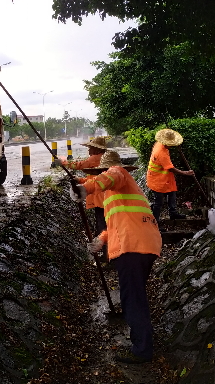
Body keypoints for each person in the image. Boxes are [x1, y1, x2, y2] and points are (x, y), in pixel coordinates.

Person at [70, 150, 162, 364]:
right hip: (145, 244)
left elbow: (109, 177)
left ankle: (142, 350)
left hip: (133, 247)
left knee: (132, 300)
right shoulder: (119, 194)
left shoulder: (117, 173)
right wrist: (101, 240)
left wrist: (85, 188)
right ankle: (141, 340)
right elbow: (114, 226)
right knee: (136, 296)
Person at [52, 136, 107, 246]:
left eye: (90, 148)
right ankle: (105, 252)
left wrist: (63, 163)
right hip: (103, 197)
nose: (89, 150)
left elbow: (80, 165)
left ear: (96, 149)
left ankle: (106, 254)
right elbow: (94, 179)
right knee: (102, 223)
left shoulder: (95, 158)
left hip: (100, 198)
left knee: (102, 226)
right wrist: (80, 180)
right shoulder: (104, 158)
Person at [146, 128, 195, 227]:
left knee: (172, 192)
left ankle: (173, 213)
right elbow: (171, 168)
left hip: (163, 176)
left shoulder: (158, 143)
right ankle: (155, 223)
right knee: (158, 202)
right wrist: (186, 173)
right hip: (156, 179)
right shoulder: (161, 152)